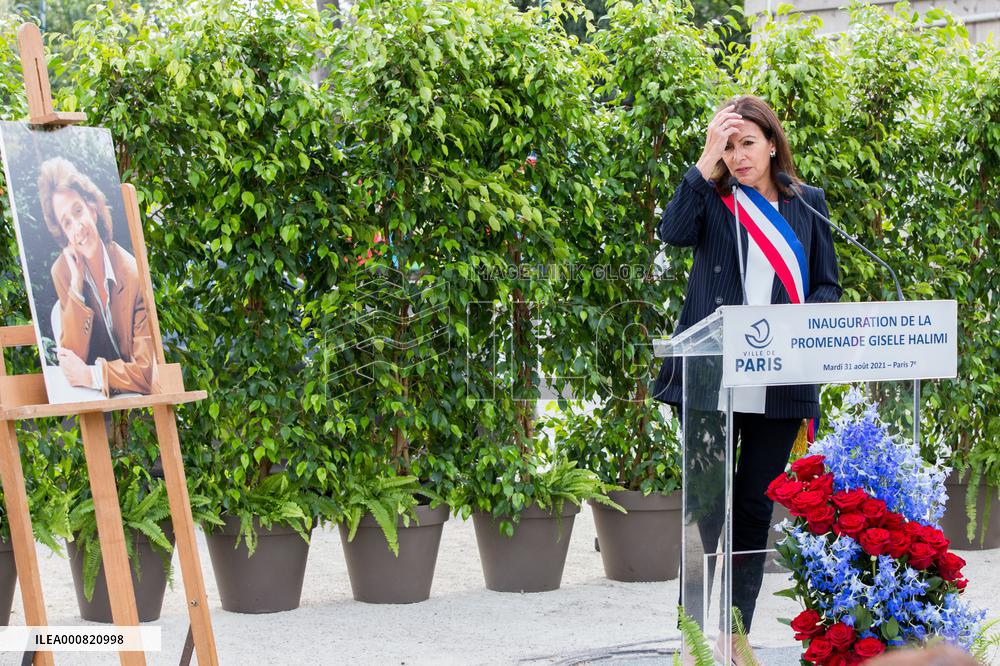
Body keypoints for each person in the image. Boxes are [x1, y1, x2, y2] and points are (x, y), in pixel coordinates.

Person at [652, 95, 841, 664]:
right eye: (728, 145)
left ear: (772, 144)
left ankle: (735, 633)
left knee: (756, 507)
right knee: (707, 509)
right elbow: (671, 232)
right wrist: (704, 160)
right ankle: (693, 637)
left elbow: (827, 284)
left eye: (747, 143)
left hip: (780, 381)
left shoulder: (807, 204)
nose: (738, 156)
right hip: (710, 376)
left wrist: (799, 325)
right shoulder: (712, 199)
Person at [37, 156, 159, 398]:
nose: (77, 227)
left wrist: (92, 375)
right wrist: (76, 286)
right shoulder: (62, 272)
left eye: (78, 211)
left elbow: (145, 373)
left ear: (92, 209)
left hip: (131, 395)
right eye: (67, 223)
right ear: (63, 234)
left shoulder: (133, 274)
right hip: (90, 396)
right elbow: (72, 363)